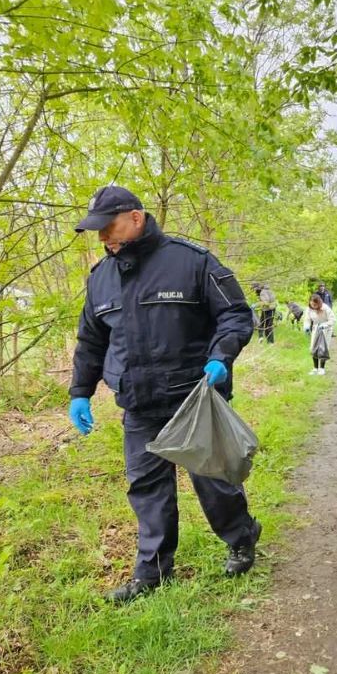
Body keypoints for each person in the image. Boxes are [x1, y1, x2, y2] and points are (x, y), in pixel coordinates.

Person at [69, 186, 260, 603]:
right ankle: (152, 572)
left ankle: (242, 537)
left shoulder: (191, 262)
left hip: (193, 398)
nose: (104, 239)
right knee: (146, 490)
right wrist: (80, 391)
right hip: (138, 404)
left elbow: (235, 313)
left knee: (214, 482)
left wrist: (221, 356)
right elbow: (91, 341)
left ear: (136, 217)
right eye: (97, 232)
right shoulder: (101, 279)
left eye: (109, 227)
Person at [302, 292, 337, 375]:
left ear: (319, 303)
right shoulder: (309, 309)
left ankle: (322, 368)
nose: (313, 306)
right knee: (313, 347)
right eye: (312, 304)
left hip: (326, 329)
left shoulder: (325, 308)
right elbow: (307, 319)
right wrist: (306, 327)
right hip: (315, 328)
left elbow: (333, 320)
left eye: (315, 304)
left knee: (323, 348)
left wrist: (325, 325)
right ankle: (315, 368)